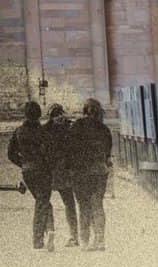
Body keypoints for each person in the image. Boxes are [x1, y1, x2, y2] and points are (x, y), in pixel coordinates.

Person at [7, 101, 53, 249]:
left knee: (43, 201)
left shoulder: (19, 131)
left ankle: (49, 229)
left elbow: (10, 154)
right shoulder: (43, 131)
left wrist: (23, 163)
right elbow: (49, 152)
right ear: (39, 114)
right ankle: (39, 238)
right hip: (42, 170)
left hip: (28, 171)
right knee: (42, 202)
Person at [70, 98, 113, 251]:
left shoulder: (76, 126)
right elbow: (107, 155)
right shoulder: (104, 130)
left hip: (81, 173)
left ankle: (85, 241)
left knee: (83, 206)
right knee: (97, 205)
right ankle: (100, 240)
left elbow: (70, 151)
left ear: (84, 111)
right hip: (99, 172)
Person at [44, 103, 79, 247]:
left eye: (59, 114)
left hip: (51, 171)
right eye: (56, 115)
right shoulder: (69, 128)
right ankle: (73, 235)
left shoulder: (45, 130)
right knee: (69, 203)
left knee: (45, 202)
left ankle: (50, 231)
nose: (59, 117)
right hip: (65, 171)